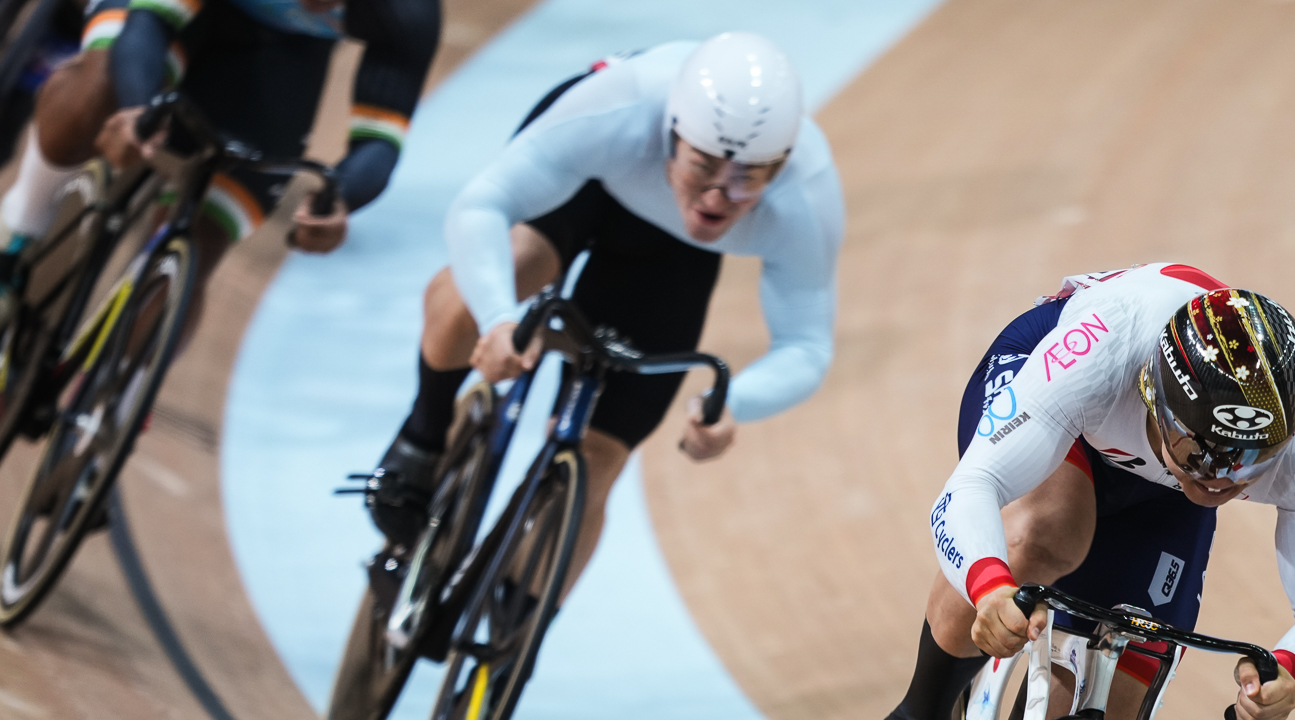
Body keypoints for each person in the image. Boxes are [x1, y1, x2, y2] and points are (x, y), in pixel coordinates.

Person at [857, 263, 1295, 720]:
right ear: (1155, 398)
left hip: (1161, 481)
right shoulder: (1105, 347)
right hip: (1058, 401)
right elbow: (971, 486)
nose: (1222, 482)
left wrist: (1292, 671)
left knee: (1119, 707)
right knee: (1049, 531)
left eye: (1251, 463)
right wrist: (989, 584)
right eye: (1206, 456)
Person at [362, 30, 842, 596]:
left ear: (780, 164)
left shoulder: (806, 196)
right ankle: (422, 434)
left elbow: (806, 345)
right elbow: (481, 204)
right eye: (704, 166)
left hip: (671, 257)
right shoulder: (620, 106)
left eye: (746, 180)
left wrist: (730, 403)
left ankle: (511, 640)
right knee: (510, 266)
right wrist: (497, 319)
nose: (717, 196)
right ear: (673, 135)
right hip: (588, 180)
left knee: (595, 461)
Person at [0, 0, 438, 317]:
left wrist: (340, 198)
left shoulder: (405, 11)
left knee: (203, 240)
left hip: (286, 52)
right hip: (171, 15)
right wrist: (137, 108)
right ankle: (22, 223)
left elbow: (380, 139)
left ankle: (117, 403)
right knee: (103, 88)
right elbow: (147, 24)